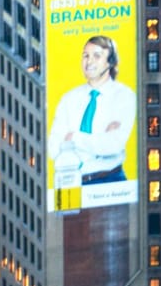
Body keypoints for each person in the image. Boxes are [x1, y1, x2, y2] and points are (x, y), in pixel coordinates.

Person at [49, 34, 136, 193]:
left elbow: (113, 145)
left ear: (110, 62)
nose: (89, 62)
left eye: (97, 56)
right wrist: (98, 140)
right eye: (85, 56)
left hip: (110, 182)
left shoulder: (124, 96)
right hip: (70, 183)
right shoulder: (69, 98)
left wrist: (73, 137)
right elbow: (53, 147)